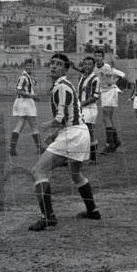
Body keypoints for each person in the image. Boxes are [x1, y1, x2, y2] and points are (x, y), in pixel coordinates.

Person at [29, 52, 100, 231]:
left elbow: (60, 118)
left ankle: (48, 217)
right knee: (75, 173)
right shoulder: (65, 85)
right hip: (81, 132)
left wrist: (46, 126)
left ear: (66, 70)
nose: (54, 66)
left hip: (73, 134)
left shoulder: (60, 86)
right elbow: (69, 116)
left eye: (59, 64)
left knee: (39, 170)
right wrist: (55, 134)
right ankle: (92, 210)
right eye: (52, 63)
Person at [93, 48, 125, 154]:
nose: (97, 58)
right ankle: (115, 141)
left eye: (99, 56)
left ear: (103, 58)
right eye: (96, 56)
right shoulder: (94, 68)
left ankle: (109, 144)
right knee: (108, 118)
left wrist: (113, 81)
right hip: (104, 93)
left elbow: (122, 74)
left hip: (111, 91)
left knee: (105, 117)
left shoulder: (107, 67)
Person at [10, 58, 43, 156]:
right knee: (33, 124)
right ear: (24, 66)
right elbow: (18, 90)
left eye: (31, 65)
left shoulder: (28, 77)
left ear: (33, 67)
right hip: (26, 103)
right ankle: (40, 148)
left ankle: (12, 149)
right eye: (27, 65)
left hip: (24, 102)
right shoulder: (23, 77)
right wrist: (33, 96)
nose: (29, 67)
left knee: (20, 124)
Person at [77, 56, 100, 164]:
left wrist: (82, 103)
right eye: (85, 64)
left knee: (89, 132)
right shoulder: (82, 77)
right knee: (80, 132)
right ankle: (82, 156)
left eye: (89, 64)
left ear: (94, 66)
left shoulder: (95, 79)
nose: (87, 66)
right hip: (81, 108)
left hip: (90, 108)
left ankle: (93, 158)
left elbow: (95, 96)